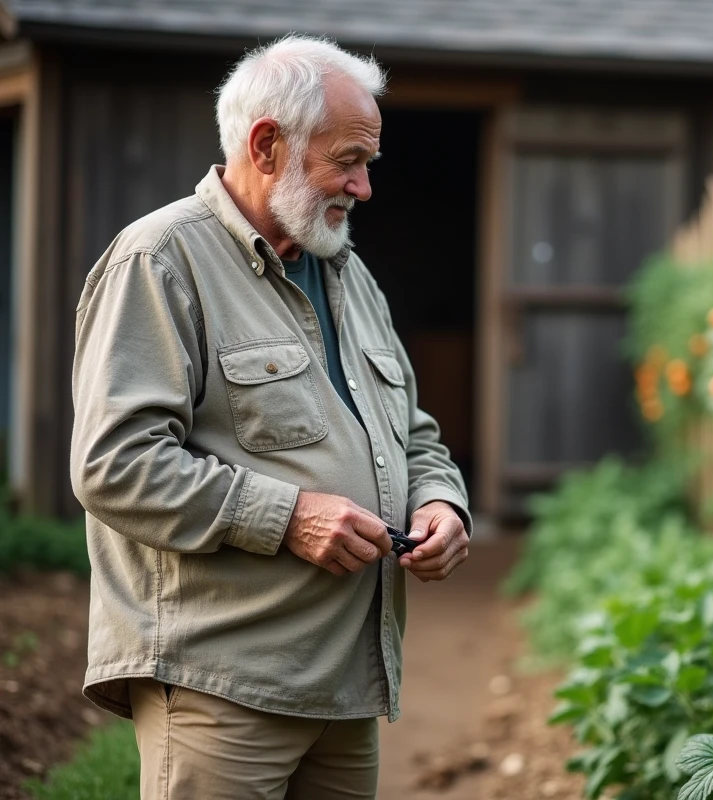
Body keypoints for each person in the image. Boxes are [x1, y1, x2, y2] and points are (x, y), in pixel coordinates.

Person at [69, 34, 471, 799]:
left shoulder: (350, 275)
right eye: (348, 160)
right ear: (266, 145)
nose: (364, 187)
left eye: (366, 164)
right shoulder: (160, 260)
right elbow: (114, 463)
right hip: (222, 684)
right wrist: (289, 517)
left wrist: (441, 501)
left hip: (347, 684)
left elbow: (414, 434)